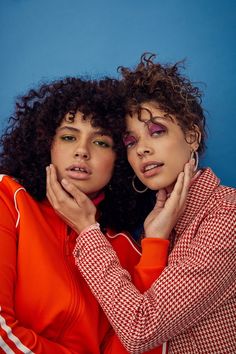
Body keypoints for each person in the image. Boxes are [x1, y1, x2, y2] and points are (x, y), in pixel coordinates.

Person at [47, 54, 236, 354]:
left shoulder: (227, 216)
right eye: (130, 141)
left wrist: (86, 229)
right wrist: (155, 240)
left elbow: (140, 330)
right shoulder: (159, 222)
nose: (143, 149)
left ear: (192, 136)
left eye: (157, 131)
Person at [0, 75, 192, 353]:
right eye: (68, 137)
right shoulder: (8, 199)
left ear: (119, 161)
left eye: (101, 142)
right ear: (46, 145)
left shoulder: (127, 251)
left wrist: (154, 246)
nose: (81, 151)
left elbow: (141, 341)